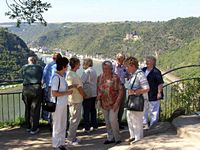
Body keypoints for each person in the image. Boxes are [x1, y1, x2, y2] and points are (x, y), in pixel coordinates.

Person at [124, 56, 149, 144]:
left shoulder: (140, 75)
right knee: (130, 118)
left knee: (137, 121)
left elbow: (146, 88)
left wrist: (134, 91)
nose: (126, 68)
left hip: (138, 101)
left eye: (127, 66)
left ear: (133, 65)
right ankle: (133, 136)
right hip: (132, 101)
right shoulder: (133, 75)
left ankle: (138, 139)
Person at [97, 60, 123, 144]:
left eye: (107, 68)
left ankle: (117, 138)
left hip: (114, 103)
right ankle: (110, 137)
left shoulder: (115, 78)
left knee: (113, 120)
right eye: (103, 68)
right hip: (104, 103)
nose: (105, 70)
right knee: (107, 121)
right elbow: (98, 88)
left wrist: (117, 103)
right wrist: (98, 96)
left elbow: (121, 91)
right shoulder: (100, 77)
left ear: (111, 69)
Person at [51, 57, 73, 150]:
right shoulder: (56, 78)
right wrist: (67, 93)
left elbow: (62, 89)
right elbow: (54, 93)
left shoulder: (61, 77)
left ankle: (61, 143)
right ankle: (56, 144)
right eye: (67, 66)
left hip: (62, 104)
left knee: (63, 124)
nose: (67, 67)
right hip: (58, 105)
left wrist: (72, 86)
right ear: (63, 67)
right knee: (57, 125)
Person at [66, 57, 85, 145]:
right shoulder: (74, 75)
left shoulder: (69, 73)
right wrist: (84, 95)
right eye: (79, 63)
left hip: (71, 99)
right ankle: (71, 139)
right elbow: (79, 87)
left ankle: (72, 137)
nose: (80, 65)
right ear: (76, 64)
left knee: (73, 118)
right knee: (75, 119)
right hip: (76, 99)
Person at [22, 56, 43, 135]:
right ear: (35, 61)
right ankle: (34, 128)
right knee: (35, 108)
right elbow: (41, 77)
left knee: (27, 107)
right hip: (36, 89)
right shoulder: (39, 67)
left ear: (28, 61)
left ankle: (27, 126)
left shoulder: (24, 67)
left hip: (26, 88)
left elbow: (23, 76)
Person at [142, 56, 164, 129]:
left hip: (153, 93)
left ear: (153, 62)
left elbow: (160, 83)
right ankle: (144, 124)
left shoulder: (156, 72)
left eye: (148, 60)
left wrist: (159, 93)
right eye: (146, 60)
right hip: (144, 93)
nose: (147, 62)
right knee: (144, 109)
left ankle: (153, 125)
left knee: (153, 110)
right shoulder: (143, 70)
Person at [42, 52, 62, 123]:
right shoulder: (60, 67)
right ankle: (57, 121)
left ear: (53, 58)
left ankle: (50, 120)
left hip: (49, 87)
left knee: (50, 104)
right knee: (58, 104)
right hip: (58, 88)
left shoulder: (48, 66)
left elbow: (43, 78)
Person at [81, 58, 98, 133]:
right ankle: (95, 125)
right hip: (94, 93)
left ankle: (87, 127)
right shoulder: (94, 71)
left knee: (86, 111)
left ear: (87, 64)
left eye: (83, 63)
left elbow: (82, 81)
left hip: (88, 93)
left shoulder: (86, 71)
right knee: (93, 110)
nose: (82, 65)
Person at [113, 53, 129, 129]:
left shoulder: (124, 67)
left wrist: (129, 75)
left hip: (122, 87)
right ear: (117, 59)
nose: (121, 60)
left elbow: (128, 75)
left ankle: (118, 123)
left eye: (122, 59)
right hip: (114, 88)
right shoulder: (112, 66)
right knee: (114, 105)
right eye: (119, 59)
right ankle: (113, 124)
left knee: (121, 106)